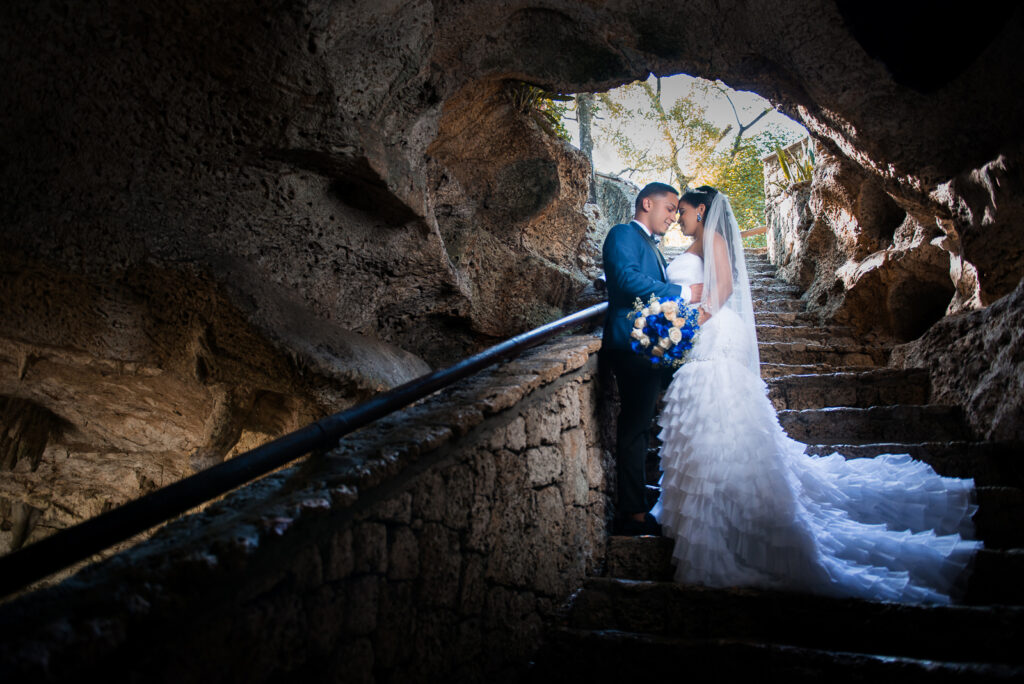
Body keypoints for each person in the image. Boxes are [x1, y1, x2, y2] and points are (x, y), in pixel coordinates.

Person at [653, 185, 981, 603]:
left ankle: (731, 525)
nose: (679, 219)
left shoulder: (712, 239)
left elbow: (723, 290)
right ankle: (718, 517)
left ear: (701, 210)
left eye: (682, 211)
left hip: (709, 334)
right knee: (712, 424)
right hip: (703, 336)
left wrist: (683, 320)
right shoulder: (700, 242)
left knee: (718, 414)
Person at [601, 182, 702, 536]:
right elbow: (626, 280)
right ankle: (632, 514)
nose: (674, 217)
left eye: (677, 211)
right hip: (630, 346)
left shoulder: (655, 249)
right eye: (671, 208)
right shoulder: (622, 234)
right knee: (635, 427)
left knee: (649, 424)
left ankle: (655, 503)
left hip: (654, 348)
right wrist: (686, 292)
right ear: (647, 203)